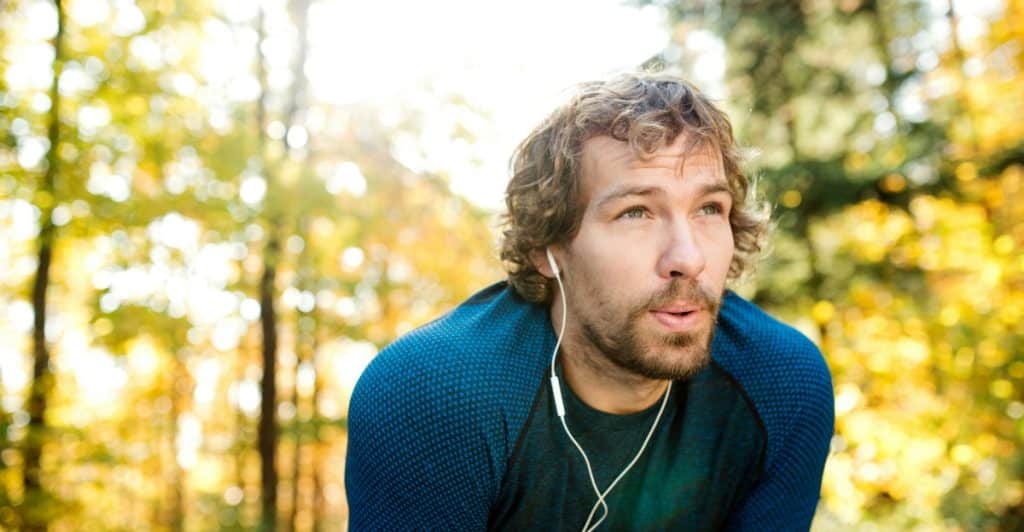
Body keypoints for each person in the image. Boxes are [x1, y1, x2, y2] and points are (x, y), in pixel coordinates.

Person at [345, 72, 834, 531]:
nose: (688, 257)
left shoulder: (782, 385)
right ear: (548, 247)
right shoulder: (436, 395)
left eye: (709, 209)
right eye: (636, 212)